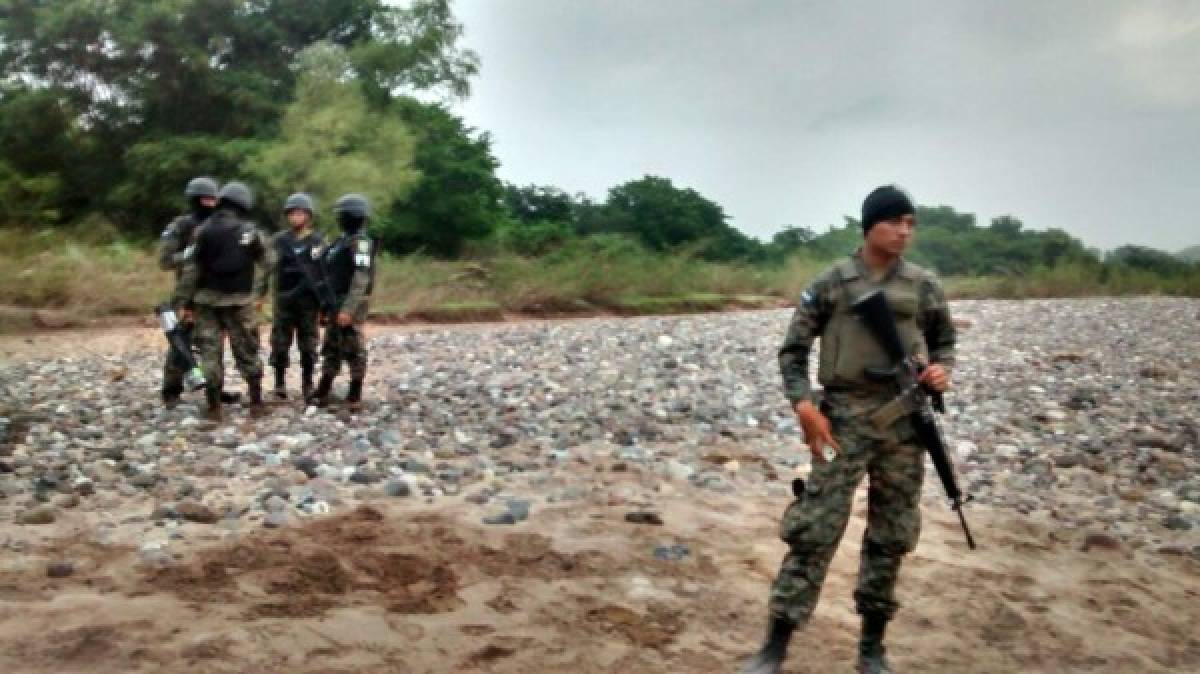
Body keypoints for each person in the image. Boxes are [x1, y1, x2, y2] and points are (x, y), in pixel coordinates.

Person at [740, 185, 956, 674]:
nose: (904, 231)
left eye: (911, 223)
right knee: (816, 526)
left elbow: (944, 340)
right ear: (869, 225)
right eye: (894, 222)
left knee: (891, 533)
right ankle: (775, 645)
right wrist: (804, 406)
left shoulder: (924, 285)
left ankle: (872, 648)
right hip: (838, 426)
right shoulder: (832, 283)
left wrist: (943, 370)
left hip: (903, 425)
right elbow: (793, 352)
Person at [174, 181, 271, 421]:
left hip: (206, 302)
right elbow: (268, 262)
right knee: (247, 350)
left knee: (210, 353)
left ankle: (214, 406)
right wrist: (259, 291)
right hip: (240, 300)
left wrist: (183, 303)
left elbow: (191, 271)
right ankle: (256, 402)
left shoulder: (202, 231)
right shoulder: (249, 232)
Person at [308, 193, 375, 408]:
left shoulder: (361, 243)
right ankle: (324, 389)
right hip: (333, 299)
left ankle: (355, 393)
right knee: (331, 346)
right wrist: (325, 306)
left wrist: (349, 308)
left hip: (350, 301)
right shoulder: (340, 242)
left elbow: (361, 277)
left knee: (353, 346)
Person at [156, 176, 217, 407]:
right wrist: (191, 255)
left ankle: (215, 388)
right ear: (195, 200)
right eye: (205, 199)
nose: (210, 204)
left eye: (213, 199)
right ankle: (171, 391)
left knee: (213, 345)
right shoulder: (180, 226)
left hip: (216, 293)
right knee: (181, 343)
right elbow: (165, 261)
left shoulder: (219, 224)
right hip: (188, 294)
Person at [265, 193, 323, 401]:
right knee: (279, 344)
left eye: (300, 213)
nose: (296, 217)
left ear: (308, 216)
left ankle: (308, 383)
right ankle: (279, 383)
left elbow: (323, 272)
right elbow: (268, 268)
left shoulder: (317, 241)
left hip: (308, 302)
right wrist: (260, 295)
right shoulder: (279, 241)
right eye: (292, 213)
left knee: (308, 345)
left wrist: (324, 303)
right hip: (284, 300)